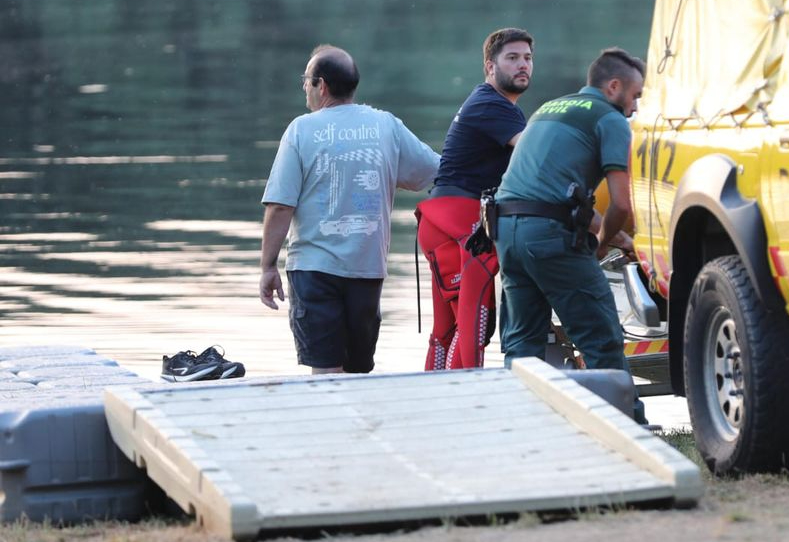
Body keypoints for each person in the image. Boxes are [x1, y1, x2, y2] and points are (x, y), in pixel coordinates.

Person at [259, 44, 439, 374]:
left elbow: (280, 206)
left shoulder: (301, 130)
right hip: (367, 271)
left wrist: (267, 267)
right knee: (357, 374)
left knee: (325, 374)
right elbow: (435, 173)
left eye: (307, 80)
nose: (304, 87)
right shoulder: (386, 126)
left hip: (314, 270)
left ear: (322, 86)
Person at [493, 47, 647, 421]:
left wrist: (615, 238)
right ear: (614, 87)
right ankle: (630, 427)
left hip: (506, 230)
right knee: (601, 336)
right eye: (635, 96)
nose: (634, 108)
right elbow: (622, 204)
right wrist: (602, 243)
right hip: (549, 235)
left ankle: (523, 426)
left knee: (522, 344)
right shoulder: (610, 119)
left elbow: (551, 191)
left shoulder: (548, 109)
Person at [416, 27, 533, 370]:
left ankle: (435, 396)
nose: (523, 65)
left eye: (528, 58)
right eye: (512, 58)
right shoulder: (492, 104)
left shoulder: (489, 103)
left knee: (447, 330)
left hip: (440, 222)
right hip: (461, 225)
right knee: (473, 328)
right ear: (490, 66)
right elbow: (536, 154)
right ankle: (465, 396)